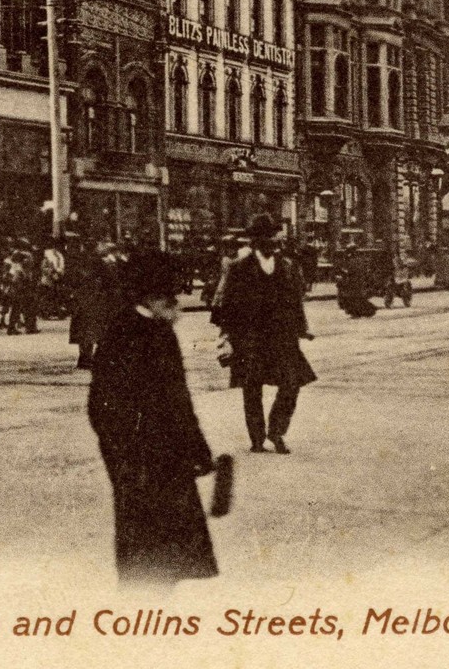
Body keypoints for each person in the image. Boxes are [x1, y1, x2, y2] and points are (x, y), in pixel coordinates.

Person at [88, 248, 220, 586]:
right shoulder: (122, 332)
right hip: (139, 458)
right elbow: (101, 404)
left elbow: (179, 402)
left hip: (168, 458)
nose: (178, 310)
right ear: (154, 298)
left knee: (168, 552)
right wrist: (123, 454)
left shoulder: (159, 332)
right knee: (143, 555)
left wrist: (198, 451)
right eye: (172, 301)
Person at [213, 212, 316, 454]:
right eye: (267, 238)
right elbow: (227, 303)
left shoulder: (287, 266)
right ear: (256, 241)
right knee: (252, 388)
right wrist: (226, 335)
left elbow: (294, 301)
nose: (274, 242)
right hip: (250, 338)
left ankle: (277, 432)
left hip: (282, 337)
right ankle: (257, 438)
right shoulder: (240, 268)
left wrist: (302, 329)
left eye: (274, 237)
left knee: (292, 382)